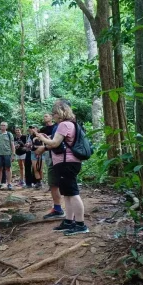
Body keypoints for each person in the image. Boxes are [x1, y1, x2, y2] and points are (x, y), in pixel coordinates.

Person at [37, 99, 88, 235]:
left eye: (54, 113)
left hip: (67, 163)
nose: (52, 116)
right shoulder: (71, 124)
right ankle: (69, 221)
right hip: (67, 162)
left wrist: (39, 137)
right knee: (67, 193)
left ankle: (80, 224)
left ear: (60, 112)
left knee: (73, 193)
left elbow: (54, 143)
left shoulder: (64, 125)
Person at [0, 121, 15, 190]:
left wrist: (13, 154)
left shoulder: (9, 134)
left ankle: (9, 183)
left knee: (8, 168)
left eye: (4, 125)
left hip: (7, 153)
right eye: (1, 125)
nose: (2, 126)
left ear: (6, 127)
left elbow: (12, 144)